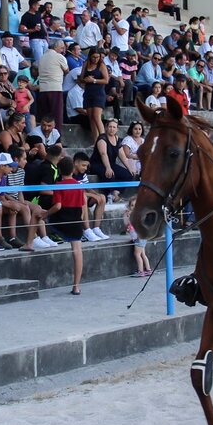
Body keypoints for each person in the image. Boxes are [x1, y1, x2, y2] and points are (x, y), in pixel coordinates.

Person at [46, 157, 86, 294]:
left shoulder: (59, 185)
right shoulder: (79, 185)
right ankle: (76, 286)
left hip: (62, 219)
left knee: (37, 215)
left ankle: (29, 242)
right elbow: (82, 206)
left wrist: (45, 214)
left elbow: (57, 206)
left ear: (59, 170)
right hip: (75, 219)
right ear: (73, 170)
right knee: (77, 252)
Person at [89, 117, 132, 202]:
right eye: (110, 127)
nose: (112, 129)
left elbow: (122, 155)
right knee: (109, 174)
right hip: (98, 164)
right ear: (106, 127)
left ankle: (116, 191)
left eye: (114, 127)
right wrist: (108, 168)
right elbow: (103, 154)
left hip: (111, 163)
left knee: (128, 175)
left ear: (117, 129)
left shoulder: (117, 139)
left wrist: (129, 168)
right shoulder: (102, 138)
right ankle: (109, 195)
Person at [72, 152, 109, 241]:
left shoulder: (83, 174)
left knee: (102, 197)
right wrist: (91, 195)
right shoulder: (69, 173)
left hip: (83, 196)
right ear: (76, 163)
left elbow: (87, 188)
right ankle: (87, 230)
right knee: (83, 197)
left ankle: (96, 228)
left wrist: (96, 195)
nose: (85, 168)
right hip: (74, 199)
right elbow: (75, 192)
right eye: (83, 165)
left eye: (86, 166)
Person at [124, 197, 152, 278]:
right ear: (130, 207)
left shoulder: (137, 216)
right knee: (143, 254)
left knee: (137, 254)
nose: (134, 207)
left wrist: (128, 216)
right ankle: (148, 269)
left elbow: (129, 223)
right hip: (141, 236)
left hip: (139, 237)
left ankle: (141, 271)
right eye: (132, 205)